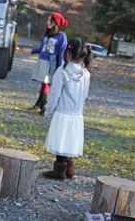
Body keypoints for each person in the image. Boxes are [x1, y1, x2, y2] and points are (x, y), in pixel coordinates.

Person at [42, 37, 93, 179]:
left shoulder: (62, 71)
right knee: (70, 138)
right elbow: (84, 95)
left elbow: (54, 94)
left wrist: (49, 112)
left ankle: (59, 171)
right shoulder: (86, 74)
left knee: (61, 139)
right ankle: (69, 168)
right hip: (77, 113)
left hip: (62, 111)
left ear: (68, 52)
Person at [23, 12, 68, 115]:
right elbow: (42, 48)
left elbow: (62, 52)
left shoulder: (62, 36)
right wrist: (31, 51)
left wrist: (60, 67)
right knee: (44, 83)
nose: (48, 22)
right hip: (43, 61)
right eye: (48, 20)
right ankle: (40, 104)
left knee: (51, 83)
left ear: (55, 22)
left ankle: (45, 106)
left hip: (53, 61)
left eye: (50, 20)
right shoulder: (45, 34)